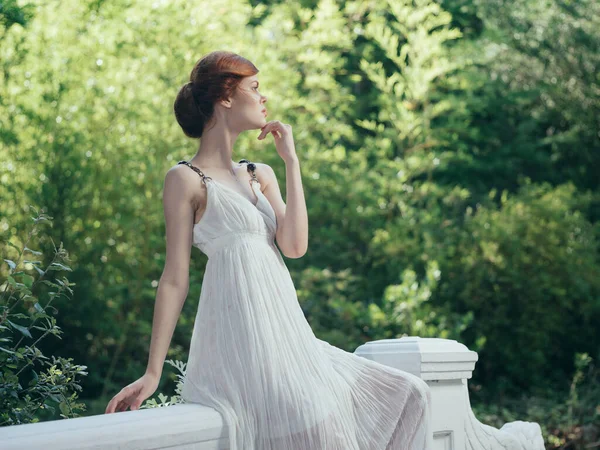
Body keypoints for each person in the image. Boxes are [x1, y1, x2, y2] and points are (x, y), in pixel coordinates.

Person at [105, 50, 433, 450]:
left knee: (411, 394)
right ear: (225, 97)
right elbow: (175, 279)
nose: (264, 98)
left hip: (290, 339)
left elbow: (294, 247)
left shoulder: (261, 174)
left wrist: (291, 161)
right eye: (254, 88)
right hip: (241, 344)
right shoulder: (185, 179)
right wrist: (152, 373)